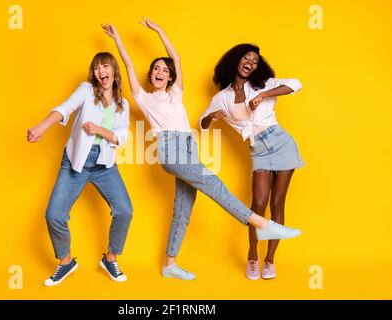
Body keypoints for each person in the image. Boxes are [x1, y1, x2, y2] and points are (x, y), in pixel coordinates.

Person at [103, 19, 301, 281]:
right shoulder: (144, 98)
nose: (159, 72)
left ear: (170, 76)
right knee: (214, 183)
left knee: (183, 210)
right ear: (150, 76)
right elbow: (128, 65)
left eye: (164, 69)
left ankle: (170, 264)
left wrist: (160, 31)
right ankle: (260, 223)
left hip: (189, 149)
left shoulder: (176, 93)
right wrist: (117, 39)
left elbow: (177, 58)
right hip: (170, 150)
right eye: (155, 69)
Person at [27, 52, 133, 285]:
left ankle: (110, 258)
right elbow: (64, 109)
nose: (100, 72)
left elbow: (122, 137)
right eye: (96, 69)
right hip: (75, 163)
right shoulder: (86, 90)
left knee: (124, 210)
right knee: (54, 214)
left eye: (105, 67)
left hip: (104, 165)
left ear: (114, 71)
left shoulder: (122, 105)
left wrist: (99, 130)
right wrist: (42, 126)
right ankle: (66, 263)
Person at [200, 44, 304, 280]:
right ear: (236, 61)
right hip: (258, 150)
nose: (251, 63)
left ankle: (269, 261)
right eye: (246, 58)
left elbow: (297, 84)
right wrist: (211, 117)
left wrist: (264, 94)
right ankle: (252, 256)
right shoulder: (222, 97)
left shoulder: (264, 84)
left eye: (255, 61)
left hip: (281, 143)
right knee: (258, 203)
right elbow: (201, 124)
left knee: (277, 203)